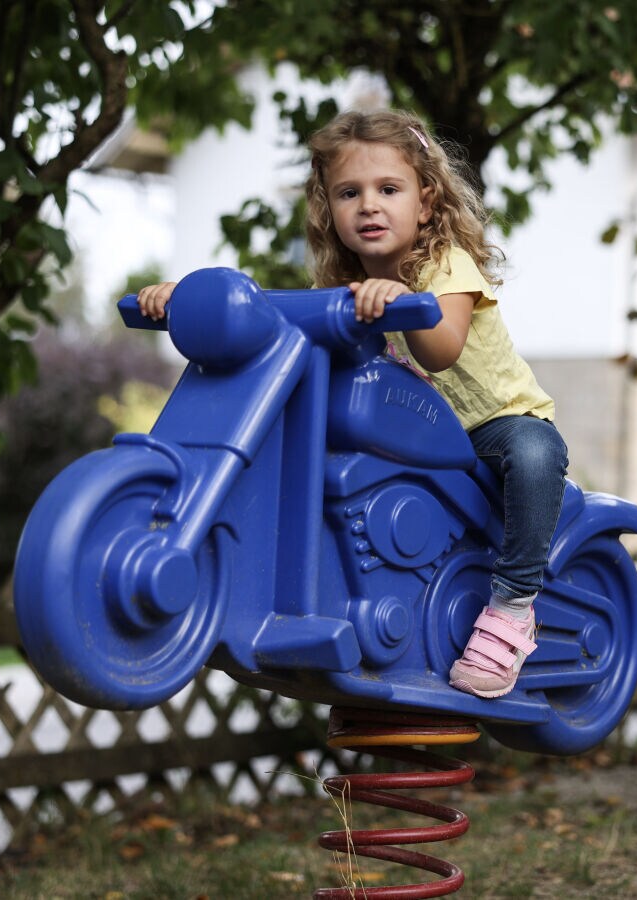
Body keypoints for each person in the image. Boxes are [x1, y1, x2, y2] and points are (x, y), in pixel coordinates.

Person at [137, 109, 567, 700]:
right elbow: (270, 322)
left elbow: (441, 351)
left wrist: (402, 301)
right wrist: (188, 299)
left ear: (425, 202)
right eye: (349, 192)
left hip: (490, 425)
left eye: (389, 189)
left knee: (537, 451)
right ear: (328, 209)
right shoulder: (342, 290)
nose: (369, 204)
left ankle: (513, 607)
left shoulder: (444, 265)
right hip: (416, 434)